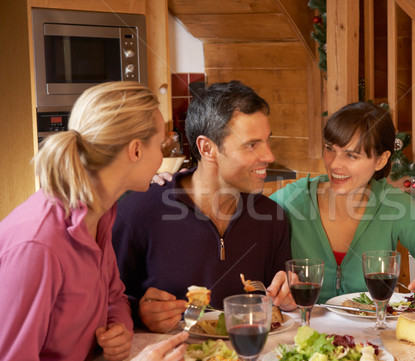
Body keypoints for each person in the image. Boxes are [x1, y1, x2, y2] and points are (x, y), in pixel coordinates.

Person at [0, 82, 189, 361]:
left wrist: (119, 327)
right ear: (136, 150)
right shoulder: (38, 246)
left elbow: (113, 295)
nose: (163, 158)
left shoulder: (99, 214)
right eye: (161, 144)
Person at [112, 80, 293, 334]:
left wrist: (288, 296)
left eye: (266, 141)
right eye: (252, 144)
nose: (269, 156)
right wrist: (137, 313)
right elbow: (106, 304)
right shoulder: (139, 211)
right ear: (207, 148)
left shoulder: (272, 217)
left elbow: (280, 306)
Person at [270, 102, 415, 303]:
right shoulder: (291, 201)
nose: (334, 163)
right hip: (303, 333)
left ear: (381, 160)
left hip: (372, 333)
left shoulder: (395, 206)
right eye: (330, 148)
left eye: (351, 155)